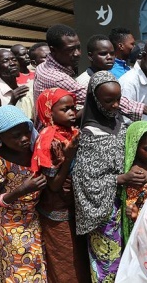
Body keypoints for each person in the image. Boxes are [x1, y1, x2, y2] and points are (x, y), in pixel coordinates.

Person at [72, 71, 142, 282]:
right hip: (104, 213)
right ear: (94, 100)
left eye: (118, 99)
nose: (115, 105)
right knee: (108, 265)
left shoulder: (123, 122)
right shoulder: (89, 135)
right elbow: (83, 181)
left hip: (127, 206)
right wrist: (120, 179)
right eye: (108, 100)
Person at [33, 24, 147, 129]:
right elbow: (97, 97)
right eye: (70, 49)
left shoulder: (44, 67)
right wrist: (146, 109)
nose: (77, 54)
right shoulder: (57, 77)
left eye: (78, 47)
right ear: (53, 49)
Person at [0, 105, 46, 282]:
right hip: (12, 226)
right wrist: (21, 190)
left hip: (37, 219)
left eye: (26, 132)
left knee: (40, 268)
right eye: (15, 136)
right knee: (21, 272)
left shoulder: (34, 152)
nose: (23, 139)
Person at [31, 88, 90, 283]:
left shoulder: (72, 132)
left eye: (74, 108)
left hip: (75, 206)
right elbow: (54, 185)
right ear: (49, 111)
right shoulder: (48, 139)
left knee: (80, 258)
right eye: (65, 109)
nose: (72, 113)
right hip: (57, 211)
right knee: (66, 261)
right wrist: (69, 157)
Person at [121, 121, 147, 244]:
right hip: (139, 223)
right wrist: (136, 216)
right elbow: (132, 202)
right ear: (135, 146)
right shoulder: (136, 172)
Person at [0, 49, 34, 120]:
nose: (12, 63)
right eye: (5, 61)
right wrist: (12, 102)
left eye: (14, 59)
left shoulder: (26, 88)